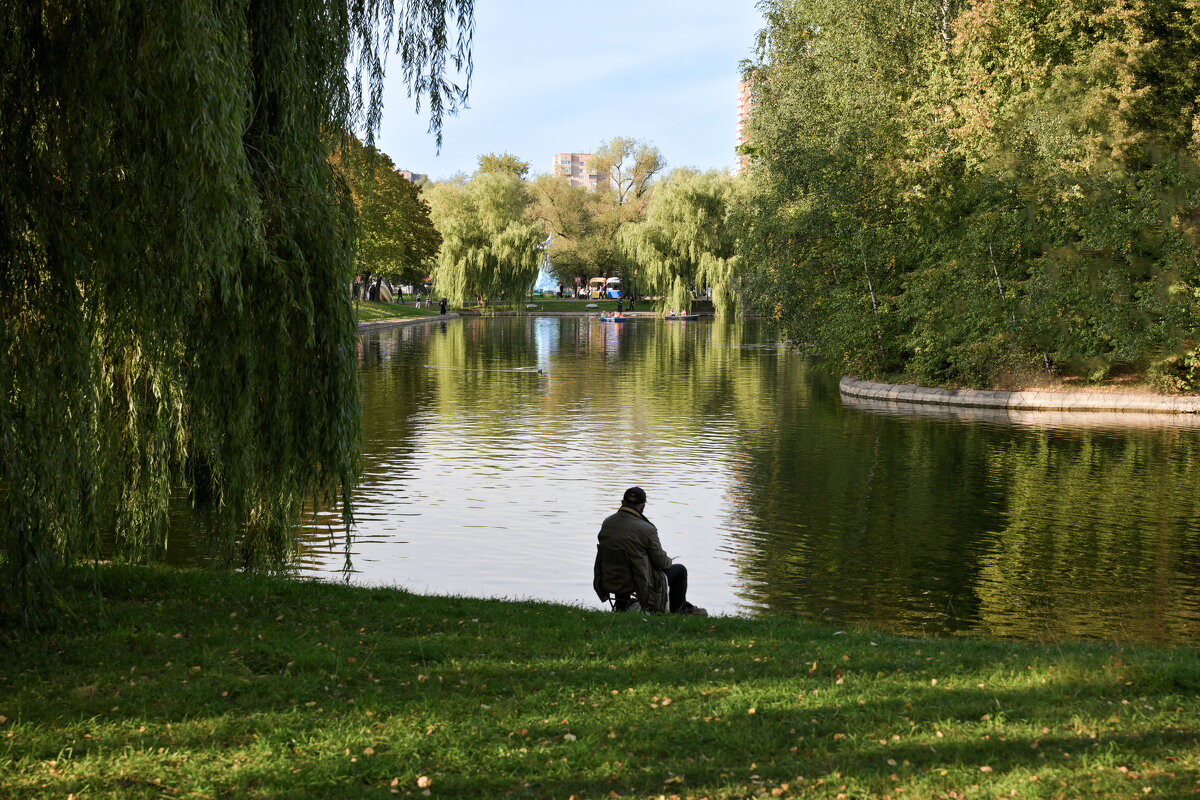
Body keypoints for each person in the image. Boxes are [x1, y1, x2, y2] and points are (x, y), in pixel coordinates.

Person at [593, 487, 706, 615]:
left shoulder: (607, 523)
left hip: (611, 578)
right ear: (642, 507)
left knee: (622, 563)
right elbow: (661, 563)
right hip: (638, 583)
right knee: (680, 571)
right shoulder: (647, 529)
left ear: (622, 503)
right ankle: (679, 612)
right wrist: (668, 560)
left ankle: (621, 607)